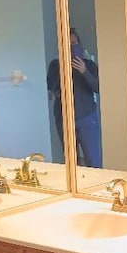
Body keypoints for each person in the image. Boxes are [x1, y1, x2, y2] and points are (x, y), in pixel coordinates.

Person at [47, 28, 103, 167]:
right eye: (67, 43)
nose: (71, 47)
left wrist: (84, 71)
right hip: (64, 118)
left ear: (79, 45)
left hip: (87, 117)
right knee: (71, 161)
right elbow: (53, 88)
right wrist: (64, 70)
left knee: (93, 159)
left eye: (74, 43)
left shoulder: (89, 65)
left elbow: (97, 88)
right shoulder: (55, 65)